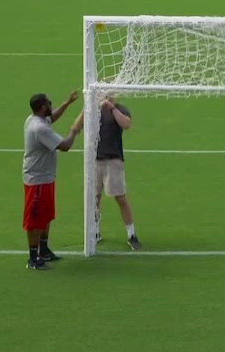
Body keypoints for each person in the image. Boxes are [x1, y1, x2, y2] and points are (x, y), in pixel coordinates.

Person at [22, 90, 86, 269]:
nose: (52, 105)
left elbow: (52, 118)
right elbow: (64, 146)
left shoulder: (35, 119)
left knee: (46, 215)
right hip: (37, 180)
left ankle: (44, 249)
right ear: (43, 107)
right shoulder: (39, 128)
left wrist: (67, 103)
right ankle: (33, 258)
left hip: (46, 177)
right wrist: (74, 130)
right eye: (50, 103)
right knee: (35, 220)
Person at [91, 94, 142, 250]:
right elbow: (79, 126)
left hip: (113, 160)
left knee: (120, 197)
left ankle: (131, 234)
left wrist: (112, 108)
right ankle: (95, 232)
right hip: (94, 160)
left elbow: (126, 124)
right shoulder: (94, 110)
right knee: (94, 198)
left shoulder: (120, 109)